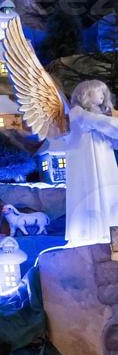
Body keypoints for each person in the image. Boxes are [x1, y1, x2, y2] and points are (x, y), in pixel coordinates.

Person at [63, 81, 118, 247]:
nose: (102, 95)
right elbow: (102, 124)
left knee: (109, 190)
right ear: (86, 94)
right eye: (98, 91)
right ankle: (91, 233)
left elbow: (111, 135)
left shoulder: (96, 115)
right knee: (91, 191)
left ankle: (111, 231)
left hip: (103, 157)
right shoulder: (78, 113)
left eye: (103, 92)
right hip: (86, 157)